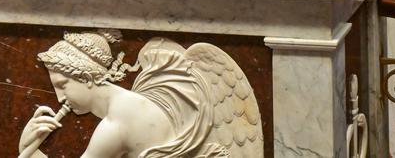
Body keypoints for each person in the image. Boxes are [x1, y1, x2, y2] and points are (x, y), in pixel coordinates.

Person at [17, 30, 263, 158]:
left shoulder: (115, 126)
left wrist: (26, 149)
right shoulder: (141, 99)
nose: (59, 97)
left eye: (62, 85)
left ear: (86, 77)